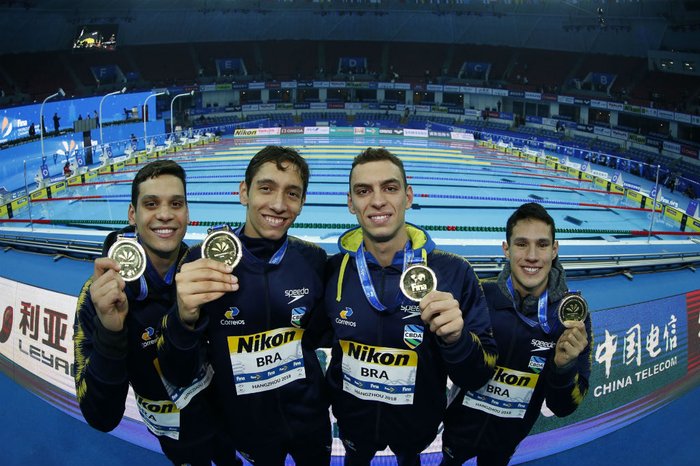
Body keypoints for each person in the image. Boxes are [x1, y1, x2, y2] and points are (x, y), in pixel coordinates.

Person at [157, 146, 332, 466]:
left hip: (310, 419)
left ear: (302, 203)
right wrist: (183, 317)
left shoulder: (313, 260)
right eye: (266, 188)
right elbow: (178, 373)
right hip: (248, 426)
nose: (279, 204)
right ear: (243, 192)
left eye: (292, 193)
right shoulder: (202, 263)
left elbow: (320, 333)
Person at [323, 147, 498, 465]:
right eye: (364, 191)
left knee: (409, 457)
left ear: (408, 196)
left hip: (418, 424)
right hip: (353, 422)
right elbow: (307, 338)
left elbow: (480, 373)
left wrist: (457, 341)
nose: (377, 201)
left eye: (390, 188)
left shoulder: (453, 272)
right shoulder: (332, 272)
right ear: (351, 203)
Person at [73, 160, 241, 466]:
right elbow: (101, 417)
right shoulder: (100, 294)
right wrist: (111, 332)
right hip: (175, 437)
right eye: (151, 204)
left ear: (187, 214)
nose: (164, 214)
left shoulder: (206, 273)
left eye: (175, 203)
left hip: (224, 417)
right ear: (132, 214)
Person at [440, 202, 592, 466]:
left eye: (542, 245)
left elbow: (564, 406)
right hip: (459, 429)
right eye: (521, 244)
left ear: (554, 250)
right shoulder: (479, 295)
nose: (532, 255)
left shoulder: (570, 318)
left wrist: (563, 368)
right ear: (506, 249)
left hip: (507, 440)